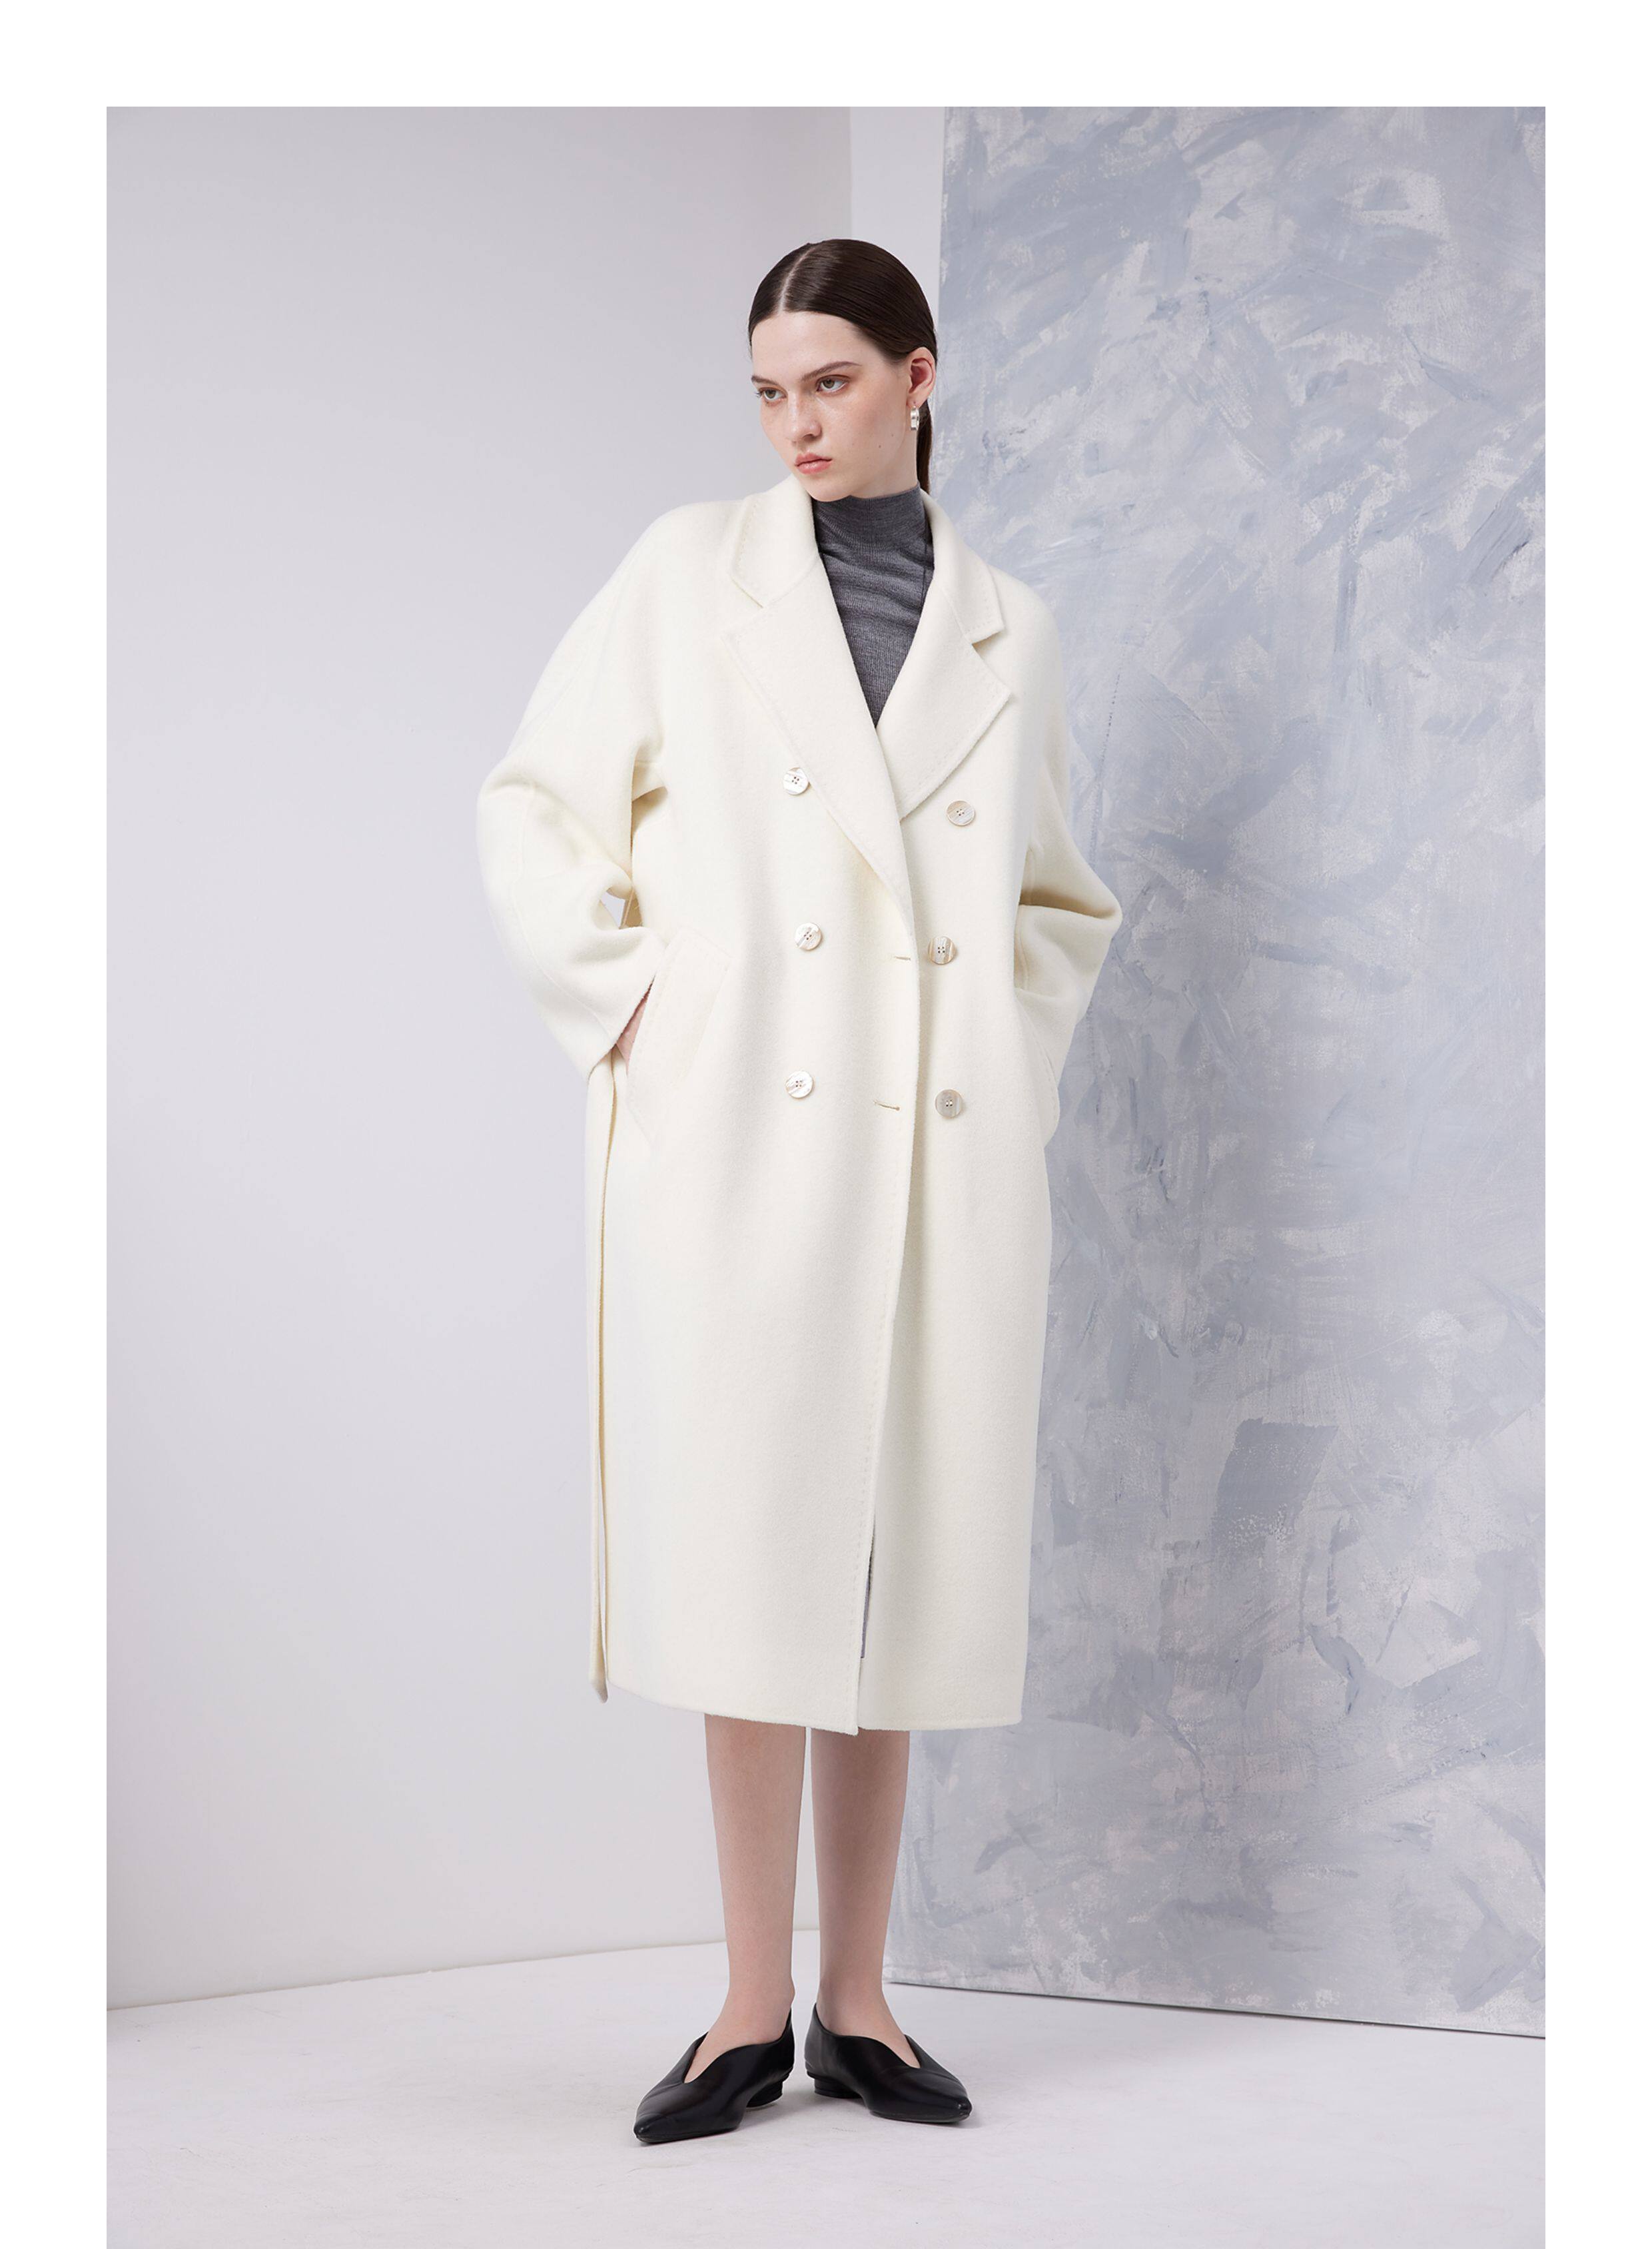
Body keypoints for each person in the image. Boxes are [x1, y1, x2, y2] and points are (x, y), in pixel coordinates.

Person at [476, 238, 1123, 2142]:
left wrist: (1000, 1065)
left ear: (918, 377)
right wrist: (646, 1013)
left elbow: (1058, 898)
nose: (795, 425)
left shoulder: (1012, 626)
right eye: (768, 390)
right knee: (749, 1558)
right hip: (740, 1146)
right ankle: (746, 2008)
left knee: (892, 1572)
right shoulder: (688, 572)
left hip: (929, 1156)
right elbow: (536, 806)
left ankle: (862, 2004)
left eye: (829, 382)